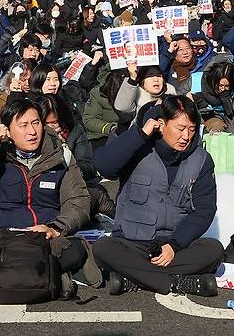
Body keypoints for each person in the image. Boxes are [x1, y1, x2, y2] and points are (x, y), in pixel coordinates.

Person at [0, 99, 91, 297]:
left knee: (75, 250)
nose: (32, 131)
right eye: (23, 125)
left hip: (44, 235)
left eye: (36, 123)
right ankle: (50, 273)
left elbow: (78, 200)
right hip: (0, 234)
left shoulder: (61, 155)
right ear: (7, 130)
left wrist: (56, 228)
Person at [93, 96, 223, 297]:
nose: (186, 136)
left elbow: (204, 211)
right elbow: (104, 166)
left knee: (213, 250)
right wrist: (140, 135)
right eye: (180, 129)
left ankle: (133, 278)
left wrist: (174, 244)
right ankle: (175, 283)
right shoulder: (138, 147)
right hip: (132, 243)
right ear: (161, 125)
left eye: (191, 129)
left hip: (174, 246)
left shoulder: (201, 159)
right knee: (103, 248)